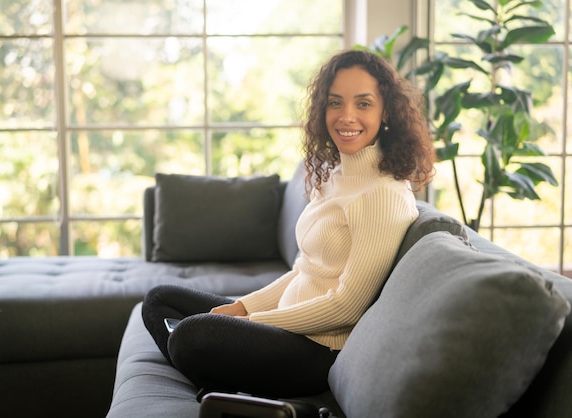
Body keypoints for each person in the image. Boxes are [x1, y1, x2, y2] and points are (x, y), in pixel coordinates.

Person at [141, 49, 436, 400]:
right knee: (160, 300)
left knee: (192, 337)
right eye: (335, 102)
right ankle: (221, 383)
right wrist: (243, 307)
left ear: (386, 111)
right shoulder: (336, 177)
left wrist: (251, 324)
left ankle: (220, 381)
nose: (347, 116)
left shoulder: (382, 195)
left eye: (363, 103)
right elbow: (303, 270)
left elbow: (347, 307)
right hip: (283, 325)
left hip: (316, 351)